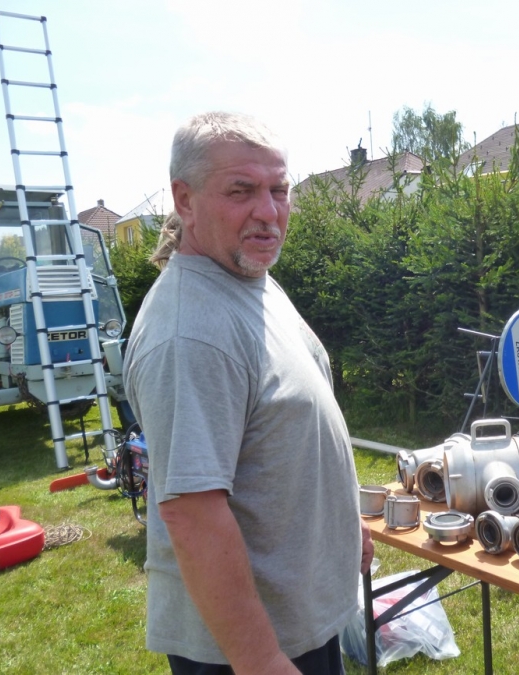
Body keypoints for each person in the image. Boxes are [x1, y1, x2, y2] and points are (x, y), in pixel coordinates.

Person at [123, 111, 374, 675]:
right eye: (241, 191)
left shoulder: (246, 277)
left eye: (278, 190)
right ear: (184, 201)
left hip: (296, 616)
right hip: (248, 647)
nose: (268, 211)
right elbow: (192, 513)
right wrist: (261, 659)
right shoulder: (189, 334)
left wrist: (343, 523)